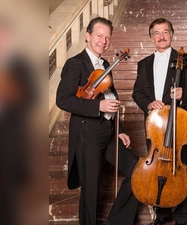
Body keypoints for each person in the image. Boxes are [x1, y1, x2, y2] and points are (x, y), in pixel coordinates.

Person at [56, 17, 139, 225]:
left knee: (137, 172)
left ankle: (117, 221)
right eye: (99, 35)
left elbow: (111, 98)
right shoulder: (75, 64)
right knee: (91, 190)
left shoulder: (106, 64)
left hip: (109, 133)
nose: (103, 41)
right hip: (88, 134)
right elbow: (63, 99)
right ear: (88, 36)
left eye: (107, 37)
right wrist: (97, 107)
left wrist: (119, 128)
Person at [132, 18, 187, 225]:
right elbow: (136, 92)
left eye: (165, 32)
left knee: (180, 168)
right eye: (157, 33)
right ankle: (162, 214)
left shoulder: (186, 59)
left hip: (178, 124)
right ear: (151, 37)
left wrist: (181, 94)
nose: (161, 37)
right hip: (155, 125)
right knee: (156, 169)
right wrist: (149, 104)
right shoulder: (143, 63)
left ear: (172, 33)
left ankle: (182, 215)